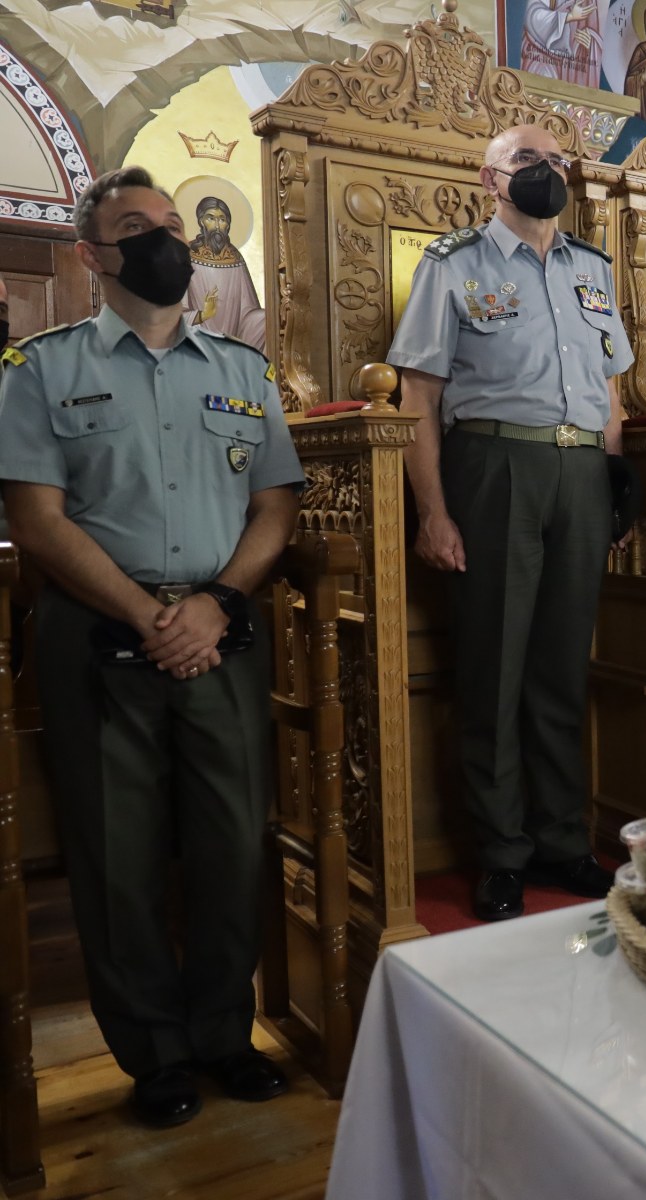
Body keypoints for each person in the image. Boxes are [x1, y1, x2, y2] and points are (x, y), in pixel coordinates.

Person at [0, 166, 304, 1126]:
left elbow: (276, 504)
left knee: (229, 845)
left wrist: (216, 601)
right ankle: (155, 1055)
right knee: (116, 853)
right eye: (139, 227)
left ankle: (223, 1034)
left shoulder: (243, 372)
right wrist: (146, 614)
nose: (167, 241)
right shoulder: (43, 368)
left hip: (219, 632)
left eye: (173, 224)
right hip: (100, 638)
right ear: (93, 255)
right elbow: (36, 519)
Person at [391, 125, 630, 920]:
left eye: (557, 160)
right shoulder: (453, 263)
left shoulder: (592, 269)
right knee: (493, 669)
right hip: (493, 467)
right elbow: (418, 398)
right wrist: (433, 511)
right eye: (528, 161)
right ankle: (501, 852)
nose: (547, 172)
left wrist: (611, 483)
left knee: (562, 669)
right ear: (490, 179)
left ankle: (563, 840)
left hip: (578, 476)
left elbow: (613, 396)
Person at [183, 195, 266, 350]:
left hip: (233, 340)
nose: (217, 225)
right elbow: (172, 315)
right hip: (198, 341)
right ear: (201, 221)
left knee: (267, 319)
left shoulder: (234, 257)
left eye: (222, 219)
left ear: (228, 225)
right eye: (211, 218)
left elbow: (248, 311)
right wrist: (202, 315)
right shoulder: (186, 255)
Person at [519, 0, 604, 90]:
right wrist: (569, 16)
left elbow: (592, 30)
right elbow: (533, 14)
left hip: (572, 67)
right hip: (540, 57)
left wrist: (589, 44)